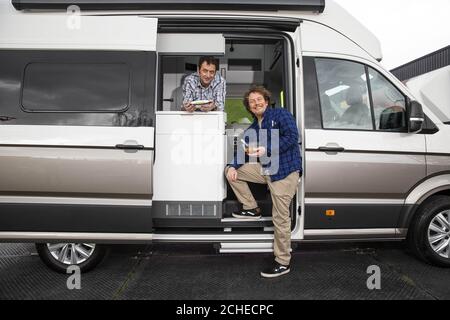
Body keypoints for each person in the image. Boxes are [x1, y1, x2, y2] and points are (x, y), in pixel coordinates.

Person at [225, 86, 302, 278]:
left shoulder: (280, 115)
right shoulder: (253, 128)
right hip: (267, 170)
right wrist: (233, 165)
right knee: (232, 171)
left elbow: (293, 138)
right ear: (249, 107)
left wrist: (266, 149)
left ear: (266, 101)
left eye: (259, 99)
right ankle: (251, 208)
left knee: (280, 217)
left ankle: (283, 262)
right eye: (252, 102)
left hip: (285, 172)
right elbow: (243, 152)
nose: (256, 103)